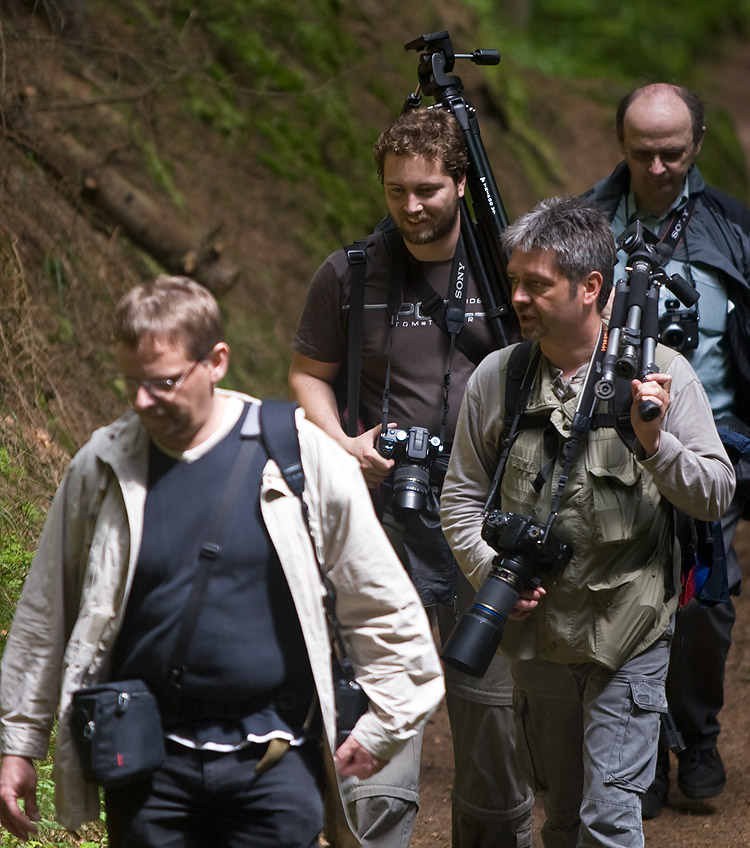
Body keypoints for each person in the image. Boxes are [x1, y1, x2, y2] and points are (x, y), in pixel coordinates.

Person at [0, 274, 444, 848]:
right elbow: (45, 614)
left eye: (161, 382)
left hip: (277, 763)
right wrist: (18, 745)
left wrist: (384, 725)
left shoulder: (297, 455)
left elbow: (379, 602)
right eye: (130, 382)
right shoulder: (103, 466)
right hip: (146, 763)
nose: (140, 401)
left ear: (216, 361)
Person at [440, 196, 735, 848]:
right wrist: (491, 570)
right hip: (541, 640)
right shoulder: (501, 377)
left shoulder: (663, 376)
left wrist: (655, 443)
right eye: (515, 280)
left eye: (536, 285)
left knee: (608, 822)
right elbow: (459, 497)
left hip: (629, 633)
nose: (517, 296)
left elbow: (715, 494)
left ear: (590, 287)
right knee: (564, 819)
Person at [289, 107, 533, 848]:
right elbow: (308, 375)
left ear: (461, 183)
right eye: (397, 190)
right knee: (373, 712)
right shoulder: (350, 272)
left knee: (490, 724)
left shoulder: (508, 275)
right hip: (379, 521)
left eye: (427, 188)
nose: (411, 204)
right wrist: (345, 444)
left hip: (481, 524)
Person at [583, 82, 750, 817]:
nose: (656, 167)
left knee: (705, 605)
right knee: (627, 596)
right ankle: (639, 747)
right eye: (643, 152)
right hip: (606, 448)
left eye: (672, 153)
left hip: (713, 450)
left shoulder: (734, 231)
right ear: (621, 145)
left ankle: (699, 734)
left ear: (700, 145)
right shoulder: (584, 226)